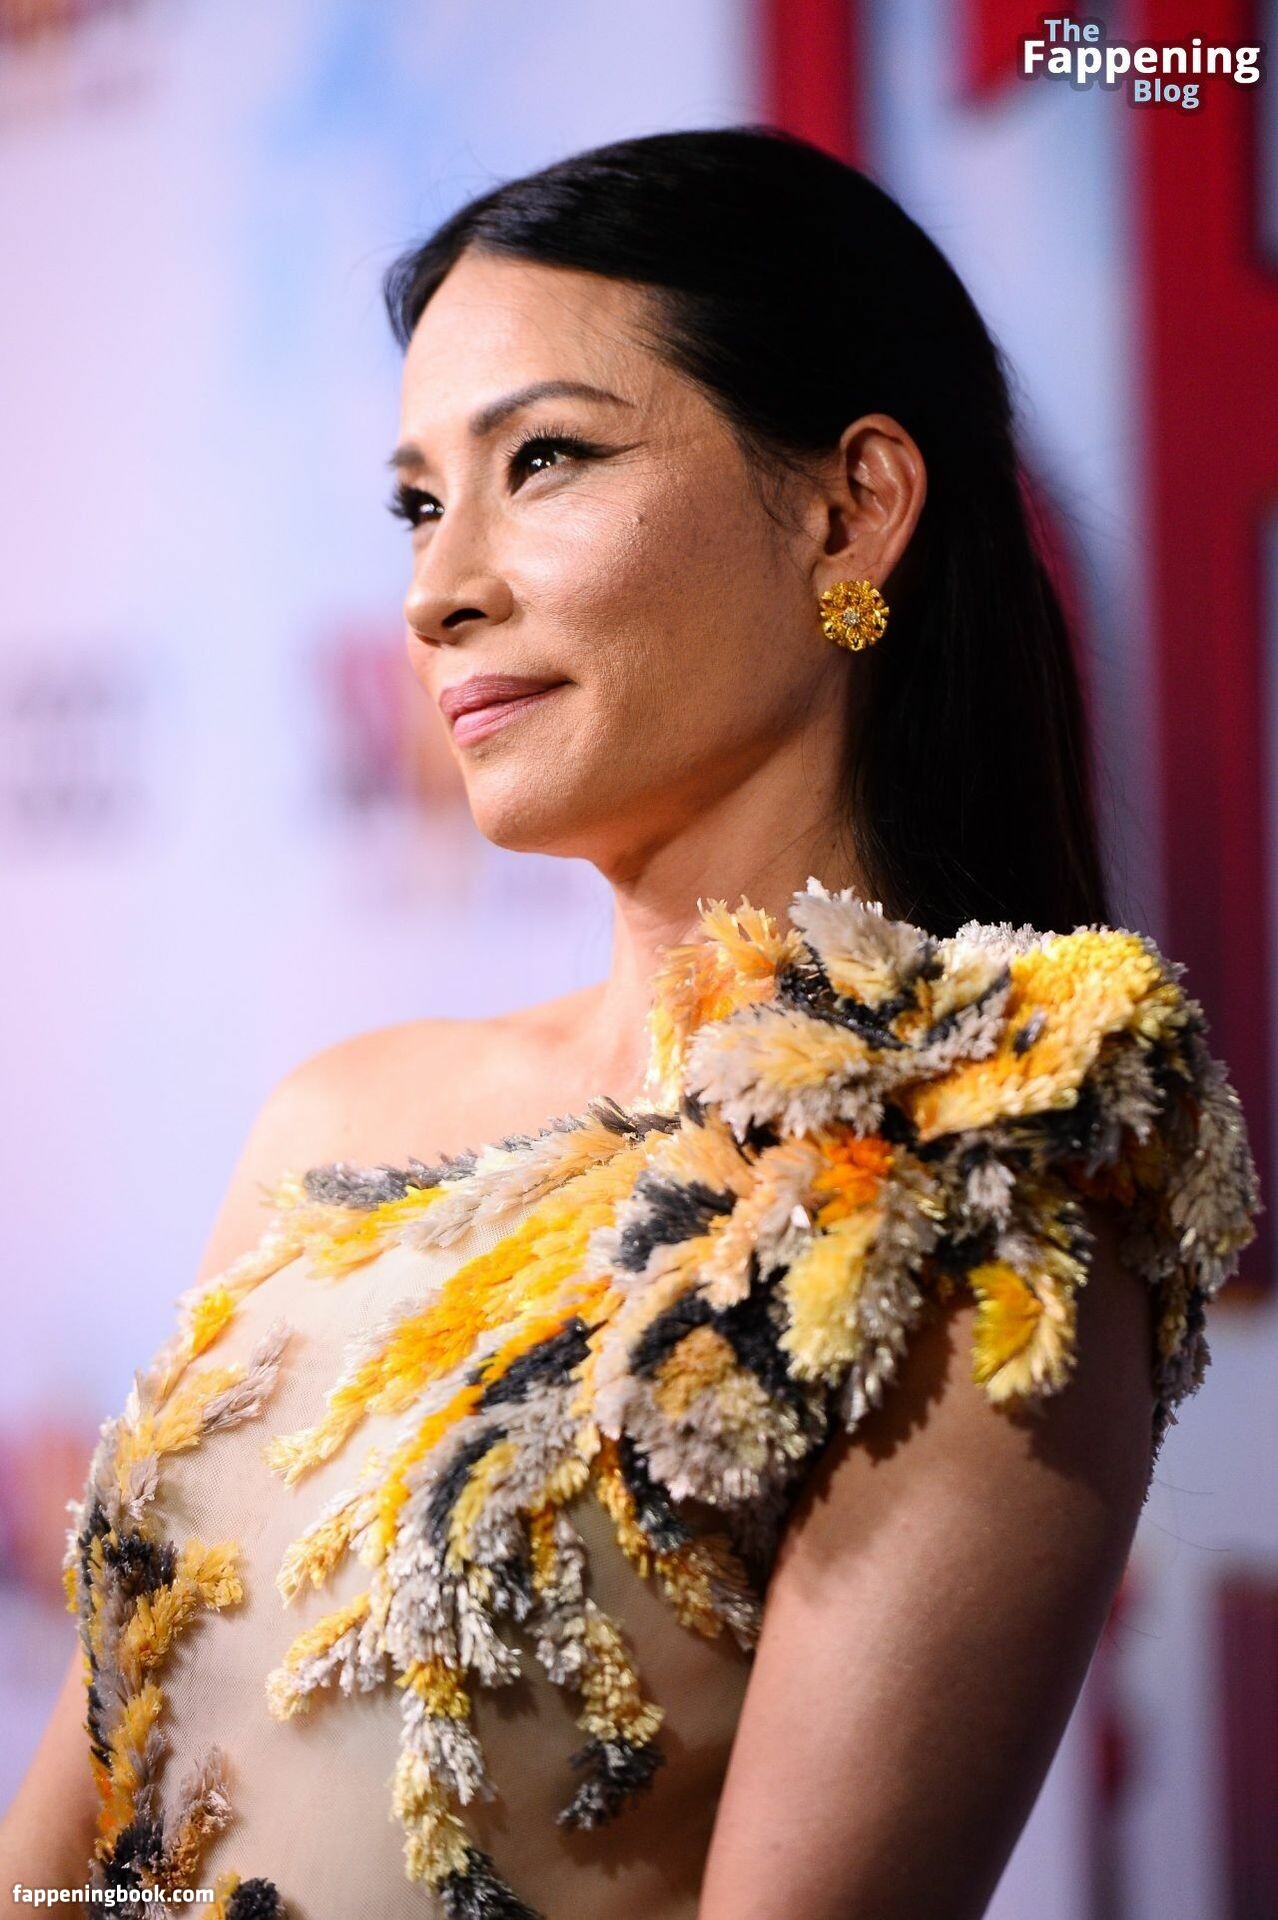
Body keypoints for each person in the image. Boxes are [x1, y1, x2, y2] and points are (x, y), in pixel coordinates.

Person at [1, 125, 1260, 1920]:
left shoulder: (964, 1167)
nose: (439, 588)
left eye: (546, 461)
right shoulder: (337, 1125)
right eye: (418, 503)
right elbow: (75, 1834)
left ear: (851, 508)